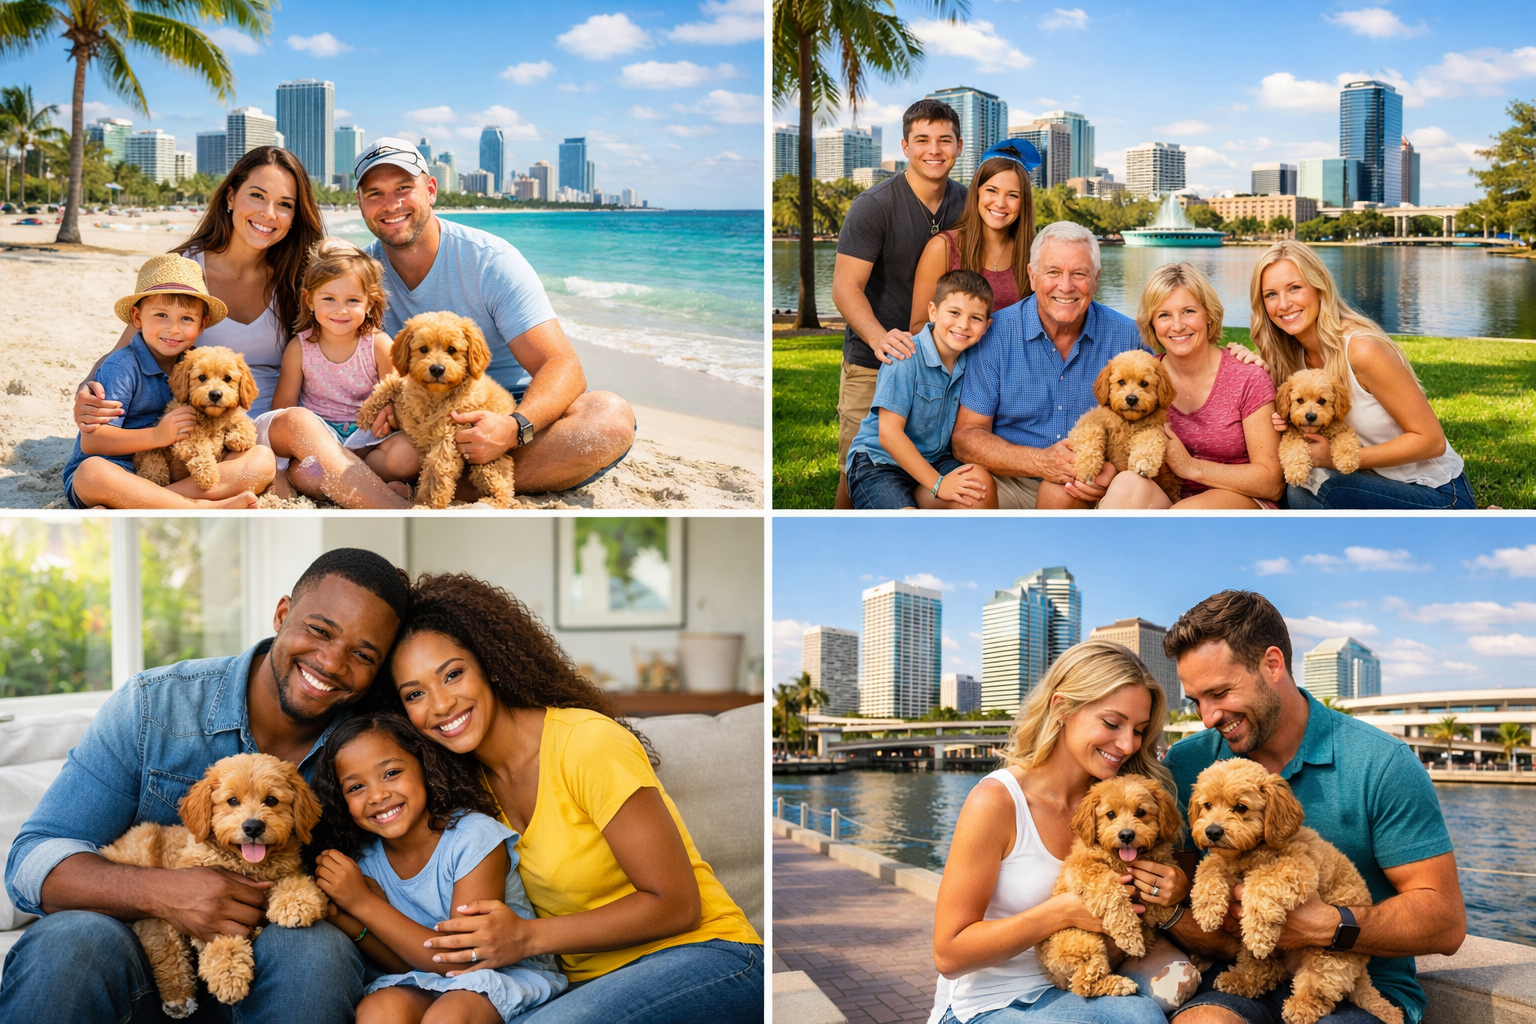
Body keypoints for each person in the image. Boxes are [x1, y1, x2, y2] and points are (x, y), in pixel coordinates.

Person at [0, 548, 413, 1024]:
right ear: (282, 614)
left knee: (313, 948)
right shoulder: (154, 705)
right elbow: (31, 862)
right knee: (70, 940)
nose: (332, 662)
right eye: (319, 630)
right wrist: (165, 893)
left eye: (363, 655)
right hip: (145, 961)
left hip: (277, 964)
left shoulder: (377, 747)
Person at [370, 572, 762, 1023]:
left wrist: (527, 938)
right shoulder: (462, 788)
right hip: (583, 988)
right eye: (415, 694)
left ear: (490, 664)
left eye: (453, 674)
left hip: (711, 959)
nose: (440, 705)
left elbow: (676, 903)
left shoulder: (586, 743)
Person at [1159, 590, 1467, 1024]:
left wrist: (1326, 925)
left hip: (1359, 985)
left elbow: (1446, 923)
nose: (1208, 716)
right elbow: (1191, 896)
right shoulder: (1188, 762)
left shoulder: (1383, 763)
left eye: (1220, 692)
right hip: (1243, 975)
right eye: (1196, 700)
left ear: (1272, 664)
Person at [73, 146, 412, 509]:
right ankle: (170, 501)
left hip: (265, 432)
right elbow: (128, 350)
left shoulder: (297, 275)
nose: (269, 214)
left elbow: (351, 285)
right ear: (231, 196)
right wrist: (86, 393)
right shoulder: (185, 272)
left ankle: (137, 501)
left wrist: (332, 245)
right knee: (274, 458)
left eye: (285, 204)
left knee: (289, 431)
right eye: (257, 196)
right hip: (198, 432)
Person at [351, 139, 635, 497]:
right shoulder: (358, 277)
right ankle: (447, 481)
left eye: (404, 188)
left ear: (431, 190)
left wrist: (513, 428)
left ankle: (450, 486)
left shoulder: (490, 261)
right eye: (375, 193)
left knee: (609, 419)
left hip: (505, 401)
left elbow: (561, 364)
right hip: (417, 416)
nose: (391, 205)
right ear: (360, 203)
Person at [930, 640, 1186, 1024]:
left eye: (1139, 729)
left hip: (1092, 982)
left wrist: (1174, 889)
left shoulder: (1120, 803)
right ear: (1061, 707)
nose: (1128, 744)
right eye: (1112, 723)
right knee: (1138, 1019)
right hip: (987, 1004)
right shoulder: (997, 802)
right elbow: (948, 955)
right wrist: (1062, 912)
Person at [311, 712, 566, 1024]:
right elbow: (402, 964)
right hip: (425, 978)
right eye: (355, 787)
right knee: (378, 1011)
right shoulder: (365, 863)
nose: (377, 795)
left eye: (391, 773)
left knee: (448, 1016)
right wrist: (354, 924)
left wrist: (363, 904)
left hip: (496, 973)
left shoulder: (474, 838)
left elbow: (461, 958)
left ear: (424, 765)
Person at [1250, 241, 1475, 509]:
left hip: (1437, 491)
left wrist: (1336, 458)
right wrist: (1250, 364)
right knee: (1298, 482)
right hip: (1369, 484)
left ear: (1319, 288)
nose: (1284, 304)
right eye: (1271, 294)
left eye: (1295, 288)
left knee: (1310, 488)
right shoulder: (1294, 360)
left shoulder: (1361, 349)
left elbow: (1432, 441)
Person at [831, 99, 969, 509]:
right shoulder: (874, 206)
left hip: (943, 367)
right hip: (877, 359)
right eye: (923, 139)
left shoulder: (968, 204)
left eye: (944, 140)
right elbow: (845, 286)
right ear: (905, 146)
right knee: (857, 463)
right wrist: (879, 339)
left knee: (929, 460)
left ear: (959, 146)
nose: (934, 150)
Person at [950, 221, 1143, 509]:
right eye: (1053, 272)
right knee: (971, 487)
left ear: (1096, 279)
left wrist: (1112, 470)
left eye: (1079, 274)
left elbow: (1156, 418)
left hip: (1093, 482)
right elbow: (966, 438)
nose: (1065, 286)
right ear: (1031, 275)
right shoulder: (995, 335)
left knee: (1064, 494)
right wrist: (1041, 463)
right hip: (1009, 478)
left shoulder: (1128, 336)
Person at [60, 254, 273, 509]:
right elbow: (92, 442)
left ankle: (149, 502)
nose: (173, 329)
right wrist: (157, 436)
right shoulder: (122, 367)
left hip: (173, 471)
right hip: (117, 468)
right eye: (161, 315)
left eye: (186, 319)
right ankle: (195, 507)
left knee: (262, 459)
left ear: (202, 324)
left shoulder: (195, 363)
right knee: (92, 474)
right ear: (137, 318)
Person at [1099, 262, 1283, 510]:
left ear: (1209, 315)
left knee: (1184, 514)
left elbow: (1272, 482)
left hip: (1239, 498)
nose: (1177, 326)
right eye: (1164, 315)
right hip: (1165, 496)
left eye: (1188, 311)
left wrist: (1190, 466)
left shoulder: (1247, 377)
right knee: (1125, 486)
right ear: (1152, 323)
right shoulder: (1139, 377)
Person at [269, 239, 418, 496]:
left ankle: (355, 483)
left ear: (370, 302)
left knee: (408, 457)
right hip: (322, 439)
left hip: (370, 439)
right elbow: (283, 409)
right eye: (329, 298)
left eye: (352, 300)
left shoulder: (379, 344)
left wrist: (390, 418)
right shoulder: (299, 348)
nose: (341, 310)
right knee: (305, 477)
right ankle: (370, 486)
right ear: (310, 300)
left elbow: (400, 398)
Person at [845, 269, 997, 509]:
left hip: (936, 459)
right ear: (933, 312)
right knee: (906, 525)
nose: (963, 325)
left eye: (975, 318)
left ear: (987, 325)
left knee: (979, 488)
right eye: (954, 313)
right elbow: (889, 435)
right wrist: (937, 484)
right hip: (880, 463)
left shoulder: (974, 363)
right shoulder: (905, 355)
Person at [908, 141, 1036, 332]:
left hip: (1015, 361)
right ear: (976, 192)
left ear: (1023, 202)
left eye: (1013, 195)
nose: (1000, 203)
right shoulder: (943, 247)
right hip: (957, 361)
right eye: (991, 190)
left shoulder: (1033, 253)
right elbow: (918, 327)